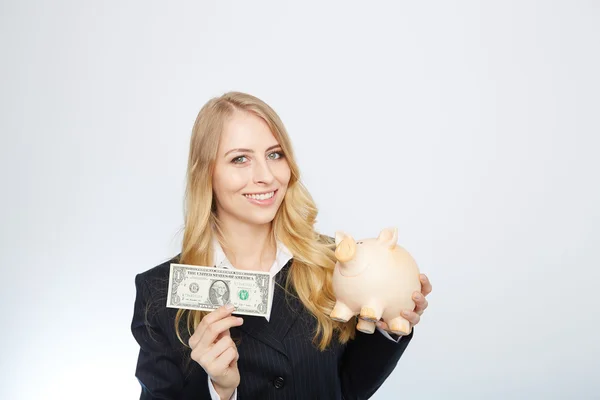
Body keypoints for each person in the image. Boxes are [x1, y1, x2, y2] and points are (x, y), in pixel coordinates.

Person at [130, 91, 432, 400]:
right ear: (206, 173)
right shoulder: (159, 293)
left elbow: (346, 388)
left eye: (275, 154)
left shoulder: (332, 264)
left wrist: (386, 326)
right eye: (240, 159)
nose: (266, 175)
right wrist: (219, 391)